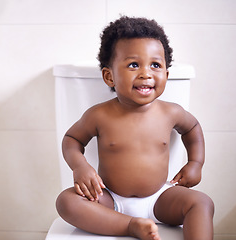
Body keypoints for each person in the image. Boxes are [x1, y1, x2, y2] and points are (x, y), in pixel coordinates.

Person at [56, 16, 214, 240]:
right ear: (109, 76)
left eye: (155, 65)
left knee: (202, 203)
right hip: (109, 199)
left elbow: (193, 129)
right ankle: (130, 226)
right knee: (66, 202)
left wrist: (196, 163)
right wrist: (80, 167)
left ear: (166, 75)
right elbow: (72, 139)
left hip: (160, 197)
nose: (146, 73)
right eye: (133, 65)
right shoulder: (99, 115)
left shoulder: (171, 112)